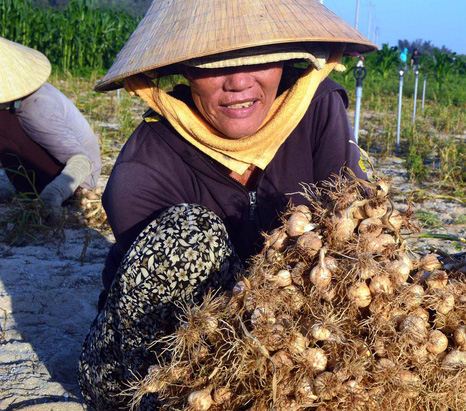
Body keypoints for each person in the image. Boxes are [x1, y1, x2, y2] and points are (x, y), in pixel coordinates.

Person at [77, 0, 377, 408]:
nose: (238, 83)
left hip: (295, 346)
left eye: (260, 59)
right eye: (213, 64)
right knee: (190, 233)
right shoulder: (144, 169)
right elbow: (181, 320)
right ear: (183, 70)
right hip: (166, 364)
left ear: (287, 62)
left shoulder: (316, 108)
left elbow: (358, 230)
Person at [0, 37, 101, 218]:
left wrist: (52, 196)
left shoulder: (37, 108)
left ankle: (38, 192)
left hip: (75, 183)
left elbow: (82, 162)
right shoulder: (19, 101)